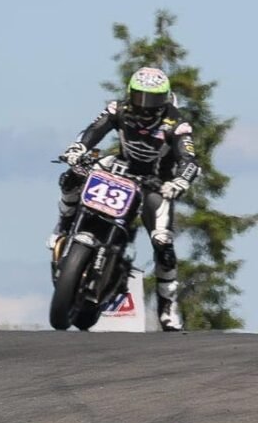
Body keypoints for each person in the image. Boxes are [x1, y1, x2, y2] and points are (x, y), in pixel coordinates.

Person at [50, 66, 199, 332]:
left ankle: (168, 307)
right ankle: (63, 227)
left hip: (156, 183)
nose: (145, 106)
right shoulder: (117, 109)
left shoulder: (176, 124)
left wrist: (180, 180)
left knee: (162, 243)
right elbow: (94, 130)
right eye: (140, 97)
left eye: (152, 100)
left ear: (164, 99)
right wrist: (78, 148)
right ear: (131, 93)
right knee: (72, 177)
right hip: (120, 167)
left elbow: (189, 159)